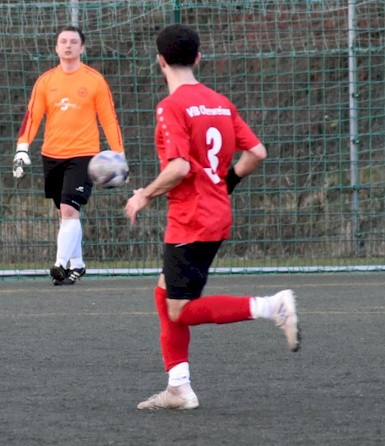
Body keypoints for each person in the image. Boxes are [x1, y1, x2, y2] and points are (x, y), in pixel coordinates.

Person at [124, 24, 300, 410]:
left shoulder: (171, 106)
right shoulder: (220, 102)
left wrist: (143, 195)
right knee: (163, 292)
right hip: (215, 213)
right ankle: (178, 387)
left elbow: (180, 168)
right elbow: (257, 153)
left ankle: (271, 306)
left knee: (180, 309)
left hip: (190, 219)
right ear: (198, 58)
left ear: (160, 61)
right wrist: (225, 182)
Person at [13, 25, 125, 286]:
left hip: (84, 155)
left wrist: (118, 154)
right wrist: (22, 148)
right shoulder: (46, 81)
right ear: (56, 47)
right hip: (51, 154)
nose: (68, 45)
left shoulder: (95, 80)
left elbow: (109, 119)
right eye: (63, 41)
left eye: (73, 42)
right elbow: (33, 117)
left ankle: (59, 264)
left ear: (82, 48)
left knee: (69, 210)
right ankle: (78, 264)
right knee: (64, 213)